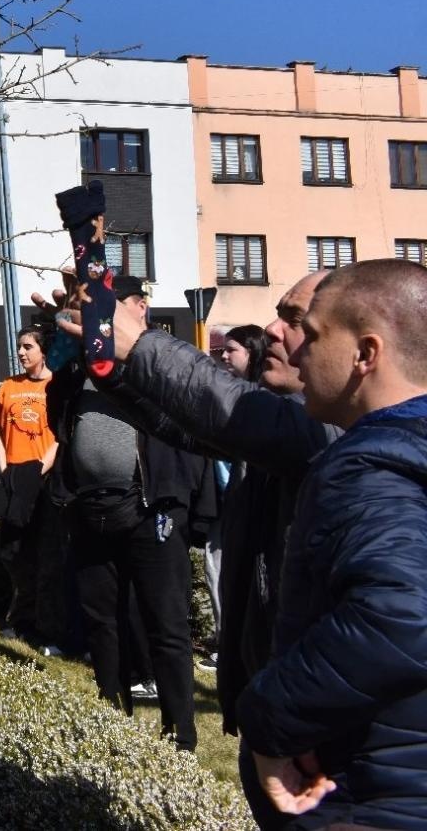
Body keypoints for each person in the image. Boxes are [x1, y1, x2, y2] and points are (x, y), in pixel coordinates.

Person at [56, 270, 341, 826]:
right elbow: (180, 419)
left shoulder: (334, 432)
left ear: (364, 345)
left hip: (320, 741)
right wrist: (104, 358)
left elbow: (223, 407)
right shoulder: (297, 421)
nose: (273, 331)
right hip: (282, 725)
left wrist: (136, 342)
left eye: (295, 319)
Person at [232, 260, 427, 828]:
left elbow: (402, 615)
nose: (296, 353)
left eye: (312, 335)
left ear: (366, 354)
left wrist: (269, 717)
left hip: (373, 796)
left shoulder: (370, 469)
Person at [47, 276, 206, 752]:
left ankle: (180, 729)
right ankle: (112, 715)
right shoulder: (82, 368)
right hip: (92, 510)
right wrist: (66, 329)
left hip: (149, 509)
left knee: (166, 624)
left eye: (129, 304)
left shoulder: (151, 358)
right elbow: (56, 394)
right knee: (101, 620)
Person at [201, 324, 269, 670]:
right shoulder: (225, 394)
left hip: (246, 503)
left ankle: (238, 645)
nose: (224, 357)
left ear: (253, 353)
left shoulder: (263, 398)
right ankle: (225, 639)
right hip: (219, 502)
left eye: (232, 351)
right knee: (215, 570)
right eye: (221, 351)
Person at [0, 326, 60, 648]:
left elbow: (59, 436)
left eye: (28, 346)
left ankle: (43, 624)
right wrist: (6, 470)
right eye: (19, 346)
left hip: (42, 479)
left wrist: (38, 471)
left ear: (43, 350)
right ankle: (19, 619)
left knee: (43, 554)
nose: (21, 352)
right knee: (12, 553)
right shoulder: (8, 387)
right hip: (14, 476)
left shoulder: (55, 386)